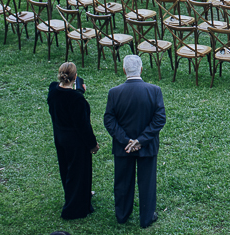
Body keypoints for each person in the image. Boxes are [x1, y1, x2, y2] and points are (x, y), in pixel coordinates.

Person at [104, 55, 166, 229]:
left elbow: (109, 120)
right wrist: (141, 140)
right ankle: (146, 218)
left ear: (124, 70)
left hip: (122, 147)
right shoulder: (154, 90)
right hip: (147, 147)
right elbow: (159, 119)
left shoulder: (114, 92)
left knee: (123, 182)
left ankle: (122, 215)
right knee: (147, 183)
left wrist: (126, 140)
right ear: (141, 69)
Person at [47, 61, 99, 221]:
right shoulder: (76, 99)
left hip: (60, 135)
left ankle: (74, 195)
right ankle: (74, 208)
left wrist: (79, 93)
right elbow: (82, 125)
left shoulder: (52, 89)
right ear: (75, 77)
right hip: (75, 141)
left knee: (66, 168)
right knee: (79, 172)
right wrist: (92, 144)